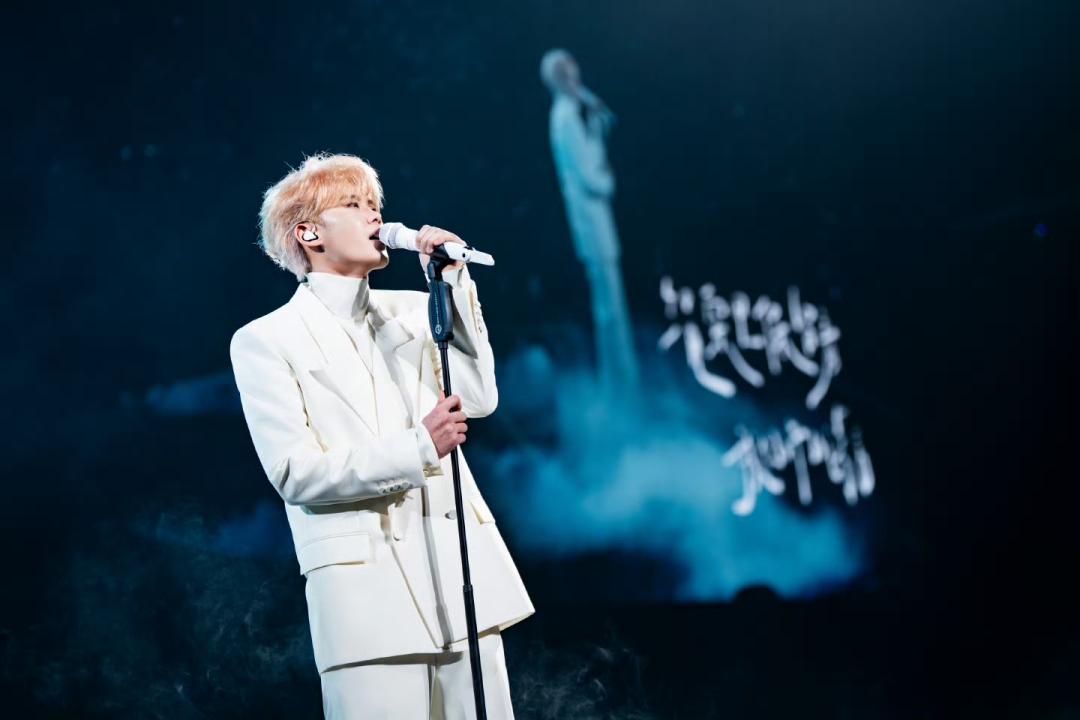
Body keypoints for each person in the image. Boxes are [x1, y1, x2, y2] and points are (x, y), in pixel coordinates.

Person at [229, 152, 534, 718]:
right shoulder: (266, 341)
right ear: (309, 233)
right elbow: (296, 474)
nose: (375, 216)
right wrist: (419, 446)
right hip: (364, 602)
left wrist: (452, 283)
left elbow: (479, 398)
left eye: (375, 204)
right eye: (354, 204)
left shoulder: (417, 311)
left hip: (458, 580)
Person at [541, 48, 639, 399]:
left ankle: (622, 383)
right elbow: (589, 176)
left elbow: (590, 162)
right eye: (566, 75)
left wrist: (596, 128)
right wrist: (608, 181)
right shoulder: (565, 117)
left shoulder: (569, 114)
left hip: (596, 222)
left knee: (612, 308)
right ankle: (620, 387)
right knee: (609, 311)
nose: (574, 80)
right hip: (592, 223)